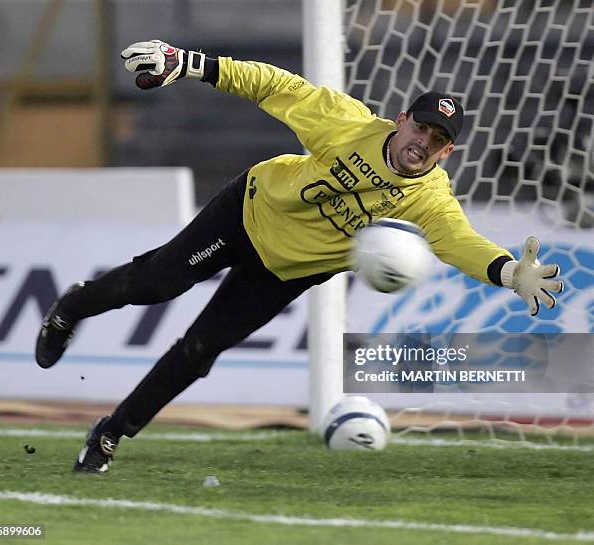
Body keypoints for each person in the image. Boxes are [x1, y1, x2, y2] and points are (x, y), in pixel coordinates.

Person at [35, 40, 563, 473]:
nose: (423, 142)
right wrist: (190, 64)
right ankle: (72, 308)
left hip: (285, 271)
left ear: (448, 152)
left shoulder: (431, 198)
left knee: (200, 351)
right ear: (400, 120)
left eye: (438, 139)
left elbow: (458, 242)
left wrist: (511, 272)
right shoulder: (349, 125)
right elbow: (276, 86)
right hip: (248, 213)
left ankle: (109, 436)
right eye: (421, 127)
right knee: (157, 285)